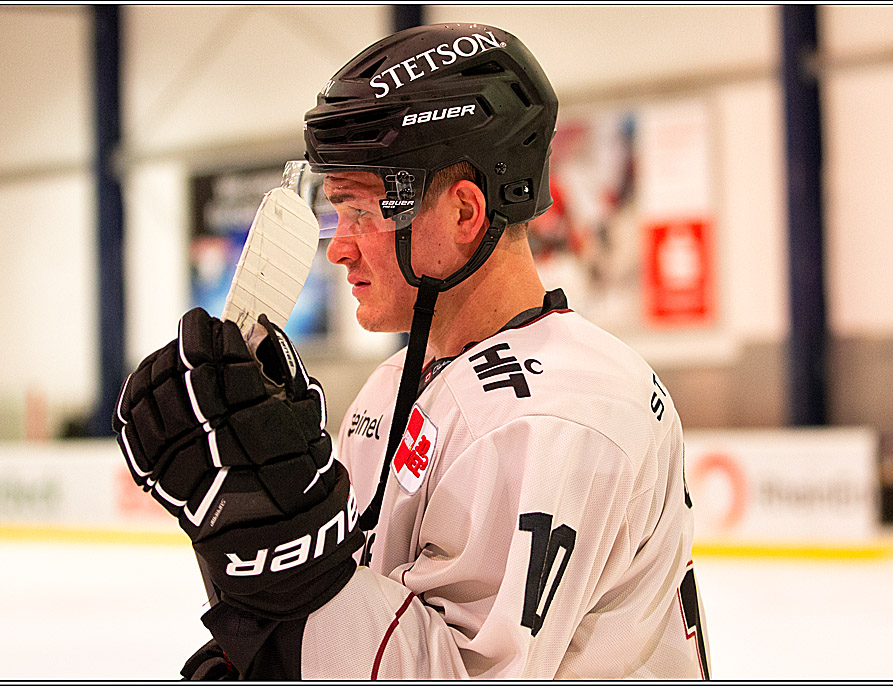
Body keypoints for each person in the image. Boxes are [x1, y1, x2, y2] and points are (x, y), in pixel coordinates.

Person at [115, 22, 710, 680]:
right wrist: (259, 598)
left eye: (362, 212)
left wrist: (277, 546)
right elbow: (365, 601)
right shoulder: (400, 380)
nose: (338, 247)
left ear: (464, 214)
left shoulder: (550, 419)